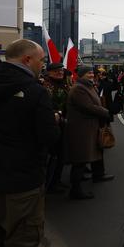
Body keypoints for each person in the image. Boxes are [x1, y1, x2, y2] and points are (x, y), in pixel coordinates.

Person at [0, 39, 59, 247]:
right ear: (27, 60)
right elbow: (49, 138)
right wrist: (53, 120)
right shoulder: (35, 91)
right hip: (22, 185)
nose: (43, 65)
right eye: (41, 60)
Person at [64, 66, 113, 200]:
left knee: (89, 155)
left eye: (92, 72)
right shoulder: (79, 88)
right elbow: (88, 107)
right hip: (81, 129)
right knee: (80, 159)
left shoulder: (88, 86)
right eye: (88, 73)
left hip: (89, 127)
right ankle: (75, 190)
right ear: (81, 75)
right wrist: (105, 112)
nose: (91, 75)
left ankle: (94, 177)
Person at [42, 62, 70, 194]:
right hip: (52, 124)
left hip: (63, 123)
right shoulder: (45, 86)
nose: (60, 73)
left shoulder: (64, 84)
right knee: (53, 155)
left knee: (61, 154)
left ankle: (56, 181)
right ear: (49, 72)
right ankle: (50, 183)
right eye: (56, 71)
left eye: (61, 71)